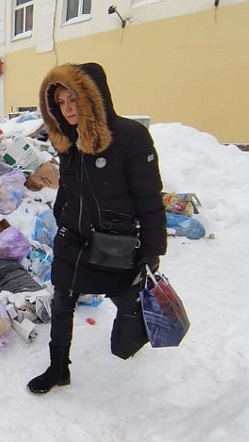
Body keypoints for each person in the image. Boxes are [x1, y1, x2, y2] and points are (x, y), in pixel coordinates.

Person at [27, 62, 167, 394]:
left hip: (115, 244)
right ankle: (58, 368)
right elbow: (69, 187)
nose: (68, 109)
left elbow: (148, 198)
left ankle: (138, 333)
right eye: (60, 103)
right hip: (73, 240)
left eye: (73, 99)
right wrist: (62, 216)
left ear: (93, 97)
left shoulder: (131, 137)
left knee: (129, 303)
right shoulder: (69, 141)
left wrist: (152, 250)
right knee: (62, 302)